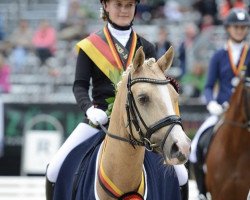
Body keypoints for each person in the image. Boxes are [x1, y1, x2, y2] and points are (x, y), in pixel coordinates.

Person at [46, 0, 189, 199]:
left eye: (129, 5)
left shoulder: (146, 47)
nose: (123, 10)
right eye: (118, 4)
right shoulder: (90, 47)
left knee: (181, 173)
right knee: (55, 167)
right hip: (99, 119)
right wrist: (89, 110)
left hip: (138, 125)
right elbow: (79, 86)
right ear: (106, 5)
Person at [189, 8, 250, 199]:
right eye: (236, 27)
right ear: (228, 28)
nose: (239, 30)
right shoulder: (219, 56)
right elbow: (208, 86)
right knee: (198, 142)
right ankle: (201, 191)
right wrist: (211, 104)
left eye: (243, 27)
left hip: (247, 112)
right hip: (222, 110)